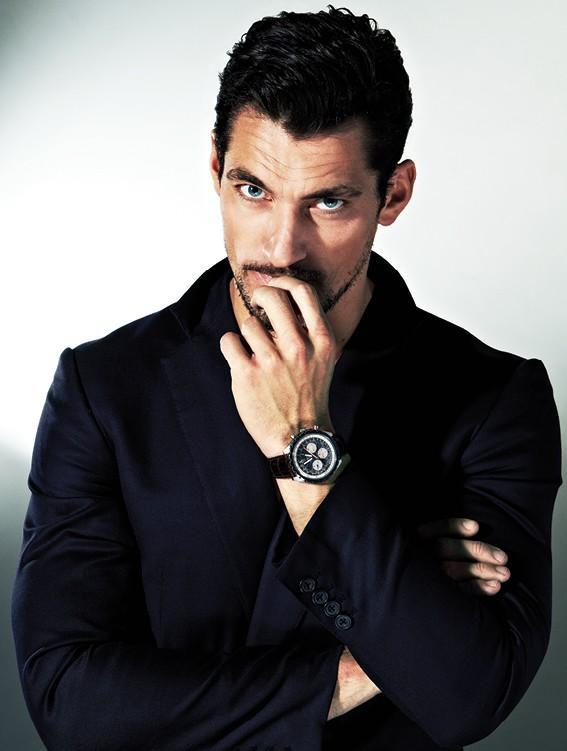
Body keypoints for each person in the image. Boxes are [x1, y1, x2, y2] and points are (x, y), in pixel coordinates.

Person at [11, 5, 562, 751]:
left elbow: (467, 695)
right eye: (253, 191)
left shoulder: (494, 400)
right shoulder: (104, 388)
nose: (281, 248)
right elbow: (69, 703)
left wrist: (305, 445)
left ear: (393, 195)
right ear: (216, 169)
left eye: (328, 202)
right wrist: (377, 658)